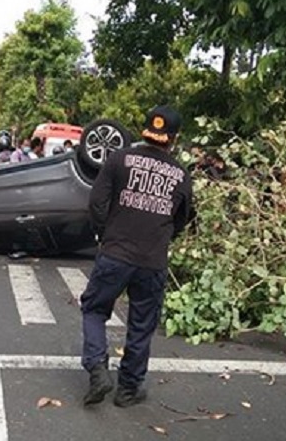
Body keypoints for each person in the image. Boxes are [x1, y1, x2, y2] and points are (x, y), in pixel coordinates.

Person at [80, 105, 193, 407]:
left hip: (115, 252)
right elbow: (182, 219)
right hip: (152, 260)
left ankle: (97, 367)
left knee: (94, 309)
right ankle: (128, 388)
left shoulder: (119, 159)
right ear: (174, 138)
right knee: (142, 324)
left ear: (145, 129)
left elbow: (96, 204)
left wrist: (106, 233)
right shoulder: (181, 174)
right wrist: (160, 237)